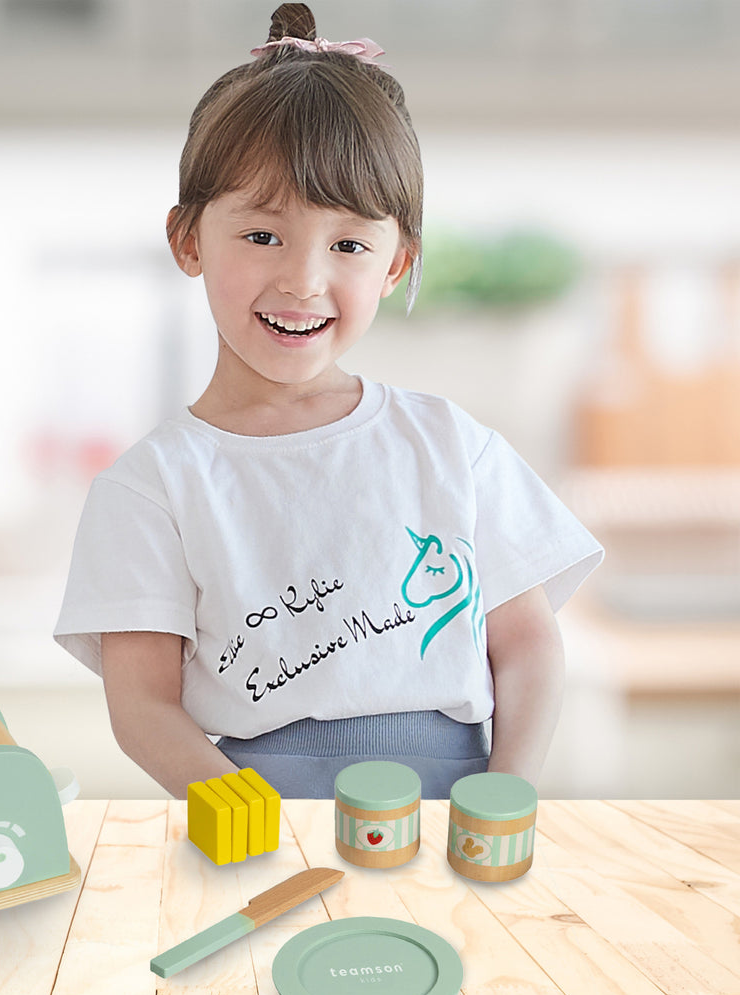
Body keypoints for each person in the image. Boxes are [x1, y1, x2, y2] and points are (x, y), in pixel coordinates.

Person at [53, 3, 603, 799]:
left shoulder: (449, 444)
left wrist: (506, 795)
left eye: (348, 244)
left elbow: (526, 648)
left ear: (396, 263)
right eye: (263, 235)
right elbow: (142, 706)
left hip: (454, 811)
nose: (303, 281)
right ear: (187, 240)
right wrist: (249, 820)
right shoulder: (151, 486)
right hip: (255, 811)